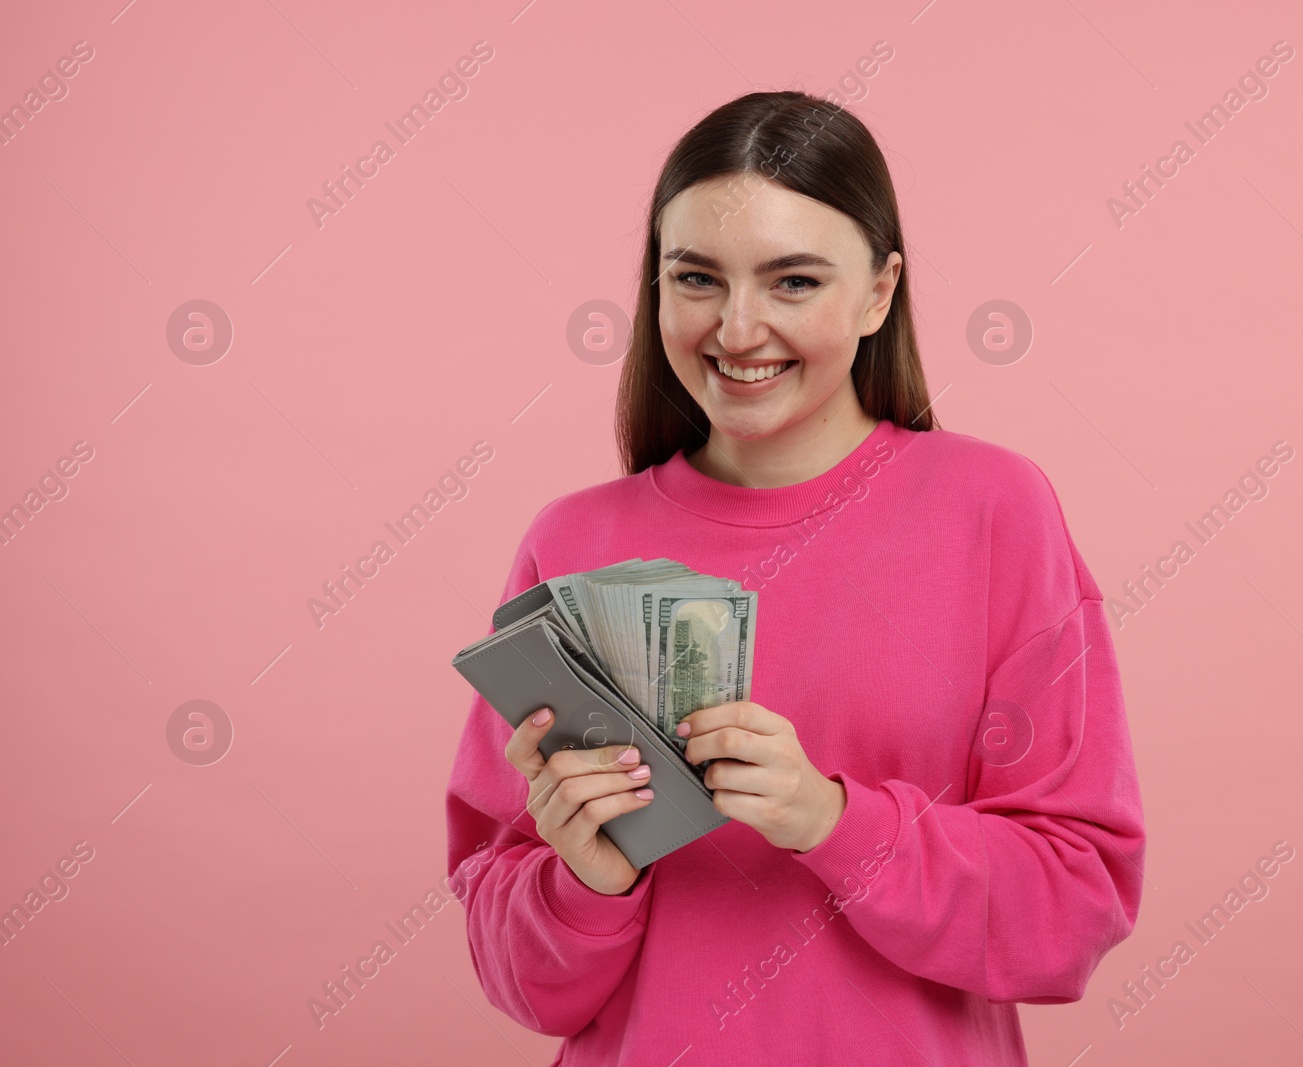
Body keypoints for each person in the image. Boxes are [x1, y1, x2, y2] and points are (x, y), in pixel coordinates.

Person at [444, 89, 1145, 1065]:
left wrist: (832, 818)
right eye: (696, 278)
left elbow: (1074, 907)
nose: (736, 329)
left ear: (878, 291)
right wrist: (582, 880)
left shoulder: (993, 511)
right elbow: (517, 976)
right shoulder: (571, 541)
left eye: (794, 282)